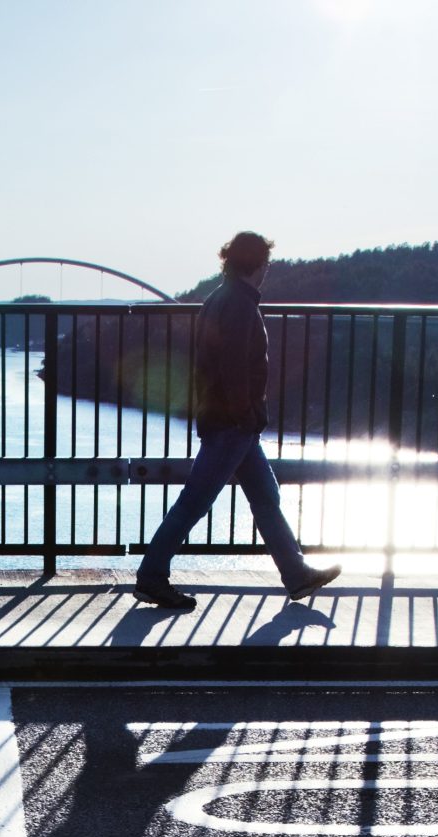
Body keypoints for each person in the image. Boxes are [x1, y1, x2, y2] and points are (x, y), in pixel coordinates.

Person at [133, 231, 341, 611]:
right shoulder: (240, 305)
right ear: (257, 264)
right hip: (233, 425)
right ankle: (151, 576)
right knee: (195, 501)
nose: (267, 271)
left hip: (229, 422)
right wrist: (247, 415)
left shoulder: (218, 298)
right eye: (266, 264)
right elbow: (234, 369)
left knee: (265, 497)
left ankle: (296, 575)